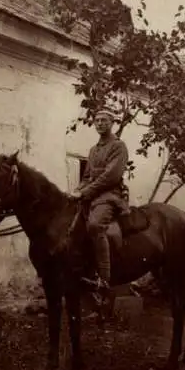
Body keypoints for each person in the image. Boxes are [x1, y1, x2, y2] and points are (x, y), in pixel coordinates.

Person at [73, 107, 129, 294]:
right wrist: (77, 190)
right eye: (97, 120)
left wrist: (85, 192)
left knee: (95, 225)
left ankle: (104, 279)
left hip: (109, 195)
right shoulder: (93, 150)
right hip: (92, 195)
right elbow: (87, 176)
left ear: (112, 123)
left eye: (104, 120)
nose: (100, 123)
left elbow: (110, 176)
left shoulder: (118, 146)